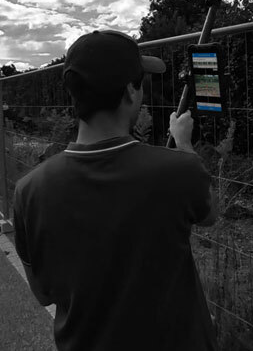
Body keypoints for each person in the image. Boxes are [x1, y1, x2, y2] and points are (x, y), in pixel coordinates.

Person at [13, 30, 219, 351]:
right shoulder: (179, 170)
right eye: (141, 83)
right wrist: (184, 144)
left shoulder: (29, 191)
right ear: (129, 92)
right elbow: (209, 214)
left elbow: (43, 294)